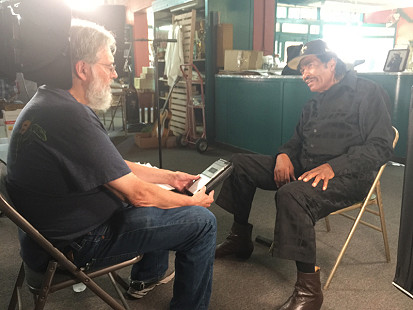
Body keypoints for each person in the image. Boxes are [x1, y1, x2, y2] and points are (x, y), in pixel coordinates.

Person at [6, 19, 216, 310]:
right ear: (82, 68)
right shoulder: (71, 117)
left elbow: (111, 162)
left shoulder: (48, 102)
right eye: (109, 66)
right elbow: (137, 194)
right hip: (75, 247)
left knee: (164, 191)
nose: (115, 74)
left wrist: (172, 176)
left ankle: (147, 278)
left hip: (49, 239)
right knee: (202, 223)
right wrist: (192, 203)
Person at [214, 39, 394, 310]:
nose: (304, 74)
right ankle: (240, 239)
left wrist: (335, 166)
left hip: (348, 176)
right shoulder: (313, 103)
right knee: (239, 164)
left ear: (331, 63)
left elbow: (380, 146)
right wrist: (284, 154)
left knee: (292, 195)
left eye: (309, 65)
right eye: (301, 69)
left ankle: (309, 290)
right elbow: (295, 141)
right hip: (307, 168)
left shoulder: (367, 93)